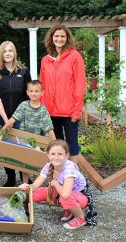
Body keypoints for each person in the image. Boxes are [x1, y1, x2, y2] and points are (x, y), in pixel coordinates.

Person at [19, 139, 97, 229]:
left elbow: (66, 194)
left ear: (66, 155)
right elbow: (35, 185)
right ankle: (69, 209)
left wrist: (55, 183)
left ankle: (80, 217)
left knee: (64, 198)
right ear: (48, 155)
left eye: (60, 154)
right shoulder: (48, 166)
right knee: (35, 194)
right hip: (63, 190)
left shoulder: (69, 168)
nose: (56, 157)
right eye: (53, 154)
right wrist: (27, 186)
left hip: (80, 195)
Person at [0, 40, 32, 187]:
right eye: (5, 51)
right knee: (7, 148)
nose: (8, 53)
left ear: (14, 53)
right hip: (2, 118)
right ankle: (11, 177)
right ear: (1, 54)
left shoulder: (24, 71)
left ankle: (24, 177)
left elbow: (29, 95)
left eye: (10, 50)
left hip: (20, 118)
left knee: (22, 147)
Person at [40, 24, 86, 163]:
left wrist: (77, 111)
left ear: (67, 38)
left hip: (69, 111)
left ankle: (75, 179)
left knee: (72, 146)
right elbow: (43, 86)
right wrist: (43, 110)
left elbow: (80, 84)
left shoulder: (74, 56)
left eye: (62, 36)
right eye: (56, 36)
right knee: (56, 146)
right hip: (51, 111)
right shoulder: (46, 59)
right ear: (51, 38)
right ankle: (60, 178)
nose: (59, 39)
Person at [2, 80, 56, 184]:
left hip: (37, 141)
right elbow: (13, 119)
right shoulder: (24, 106)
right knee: (25, 164)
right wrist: (3, 130)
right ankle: (25, 184)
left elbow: (49, 127)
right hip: (24, 140)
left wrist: (54, 143)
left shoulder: (43, 110)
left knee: (36, 165)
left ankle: (35, 186)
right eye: (31, 91)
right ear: (27, 92)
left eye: (36, 91)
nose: (33, 93)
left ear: (42, 93)